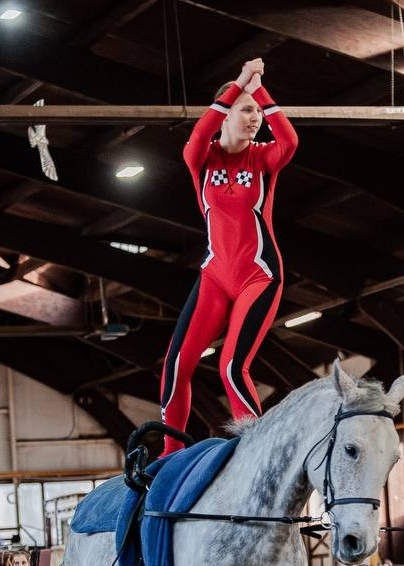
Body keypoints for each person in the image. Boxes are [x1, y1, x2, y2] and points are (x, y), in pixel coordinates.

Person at [159, 57, 298, 455]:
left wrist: (260, 89)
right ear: (226, 113)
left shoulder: (264, 159)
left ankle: (256, 450)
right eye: (246, 110)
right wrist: (241, 82)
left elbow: (289, 141)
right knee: (175, 366)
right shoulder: (201, 159)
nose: (255, 118)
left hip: (259, 275)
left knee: (231, 367)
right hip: (215, 275)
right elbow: (199, 132)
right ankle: (170, 455)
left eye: (257, 111)